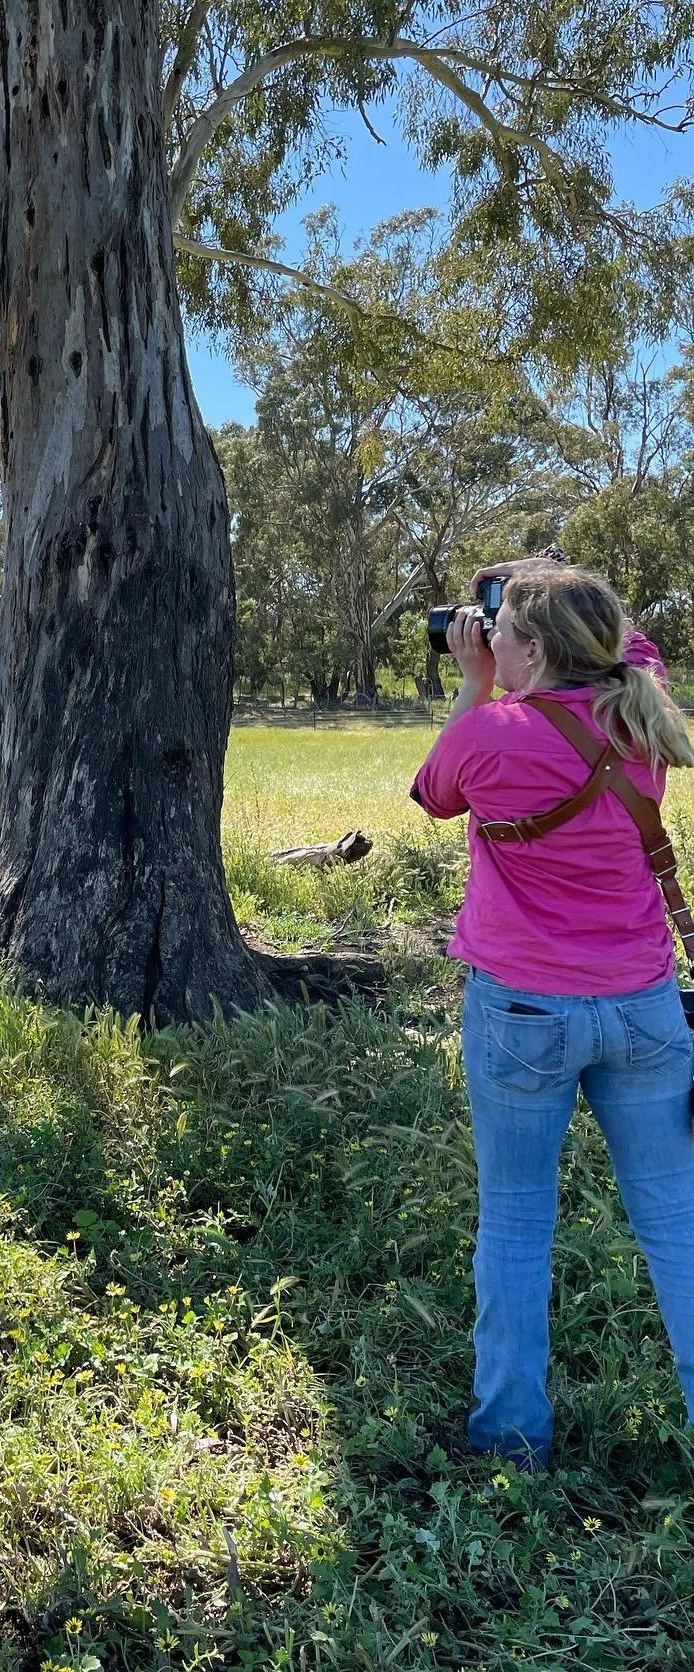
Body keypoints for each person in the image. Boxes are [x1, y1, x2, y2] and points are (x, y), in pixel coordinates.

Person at [411, 557, 694, 1468]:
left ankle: (511, 1441)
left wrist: (473, 677)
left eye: (503, 631)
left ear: (526, 650)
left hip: (524, 1009)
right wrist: (535, 585)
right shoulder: (637, 709)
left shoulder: (491, 730)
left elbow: (431, 797)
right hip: (647, 1010)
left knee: (517, 1221)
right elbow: (621, 639)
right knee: (675, 1220)